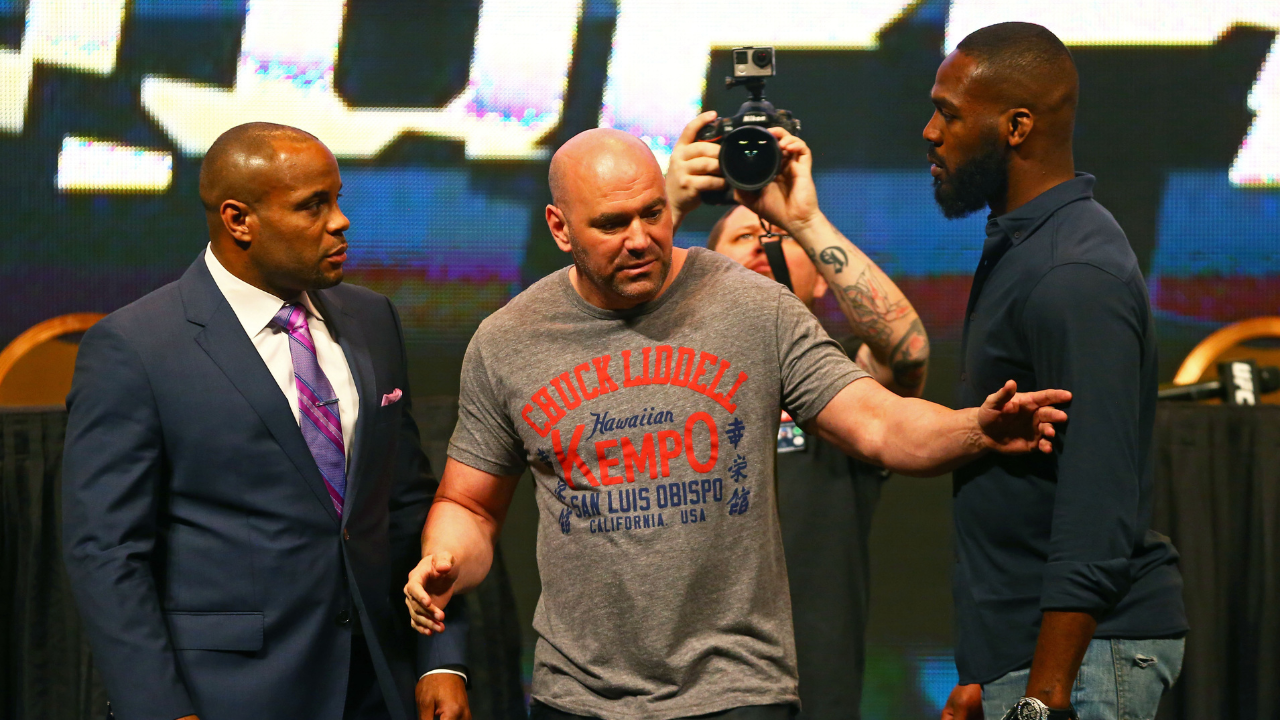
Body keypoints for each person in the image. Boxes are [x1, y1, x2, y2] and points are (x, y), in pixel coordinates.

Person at [402, 126, 1069, 720]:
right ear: (559, 227)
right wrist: (447, 560)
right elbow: (471, 504)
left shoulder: (750, 307)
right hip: (577, 695)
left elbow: (879, 423)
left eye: (653, 214)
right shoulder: (508, 340)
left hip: (736, 692)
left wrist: (974, 430)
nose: (639, 239)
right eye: (612, 223)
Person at [61, 122, 468, 720]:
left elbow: (407, 508)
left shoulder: (371, 319)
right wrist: (158, 708)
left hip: (378, 684)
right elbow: (107, 552)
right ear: (238, 220)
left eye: (337, 199)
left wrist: (440, 658)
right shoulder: (135, 347)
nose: (340, 222)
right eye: (312, 206)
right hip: (227, 693)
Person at [925, 23, 1188, 720]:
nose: (929, 131)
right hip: (1039, 661)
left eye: (948, 113)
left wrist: (1043, 697)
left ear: (1015, 126)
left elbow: (1097, 501)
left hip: (1085, 665)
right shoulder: (1030, 245)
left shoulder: (1073, 271)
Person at [664, 111, 930, 718]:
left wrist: (804, 219)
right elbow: (578, 357)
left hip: (813, 689)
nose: (761, 244)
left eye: (776, 238)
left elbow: (907, 350)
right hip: (679, 693)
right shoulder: (655, 382)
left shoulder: (839, 390)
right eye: (738, 237)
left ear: (818, 282)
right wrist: (665, 207)